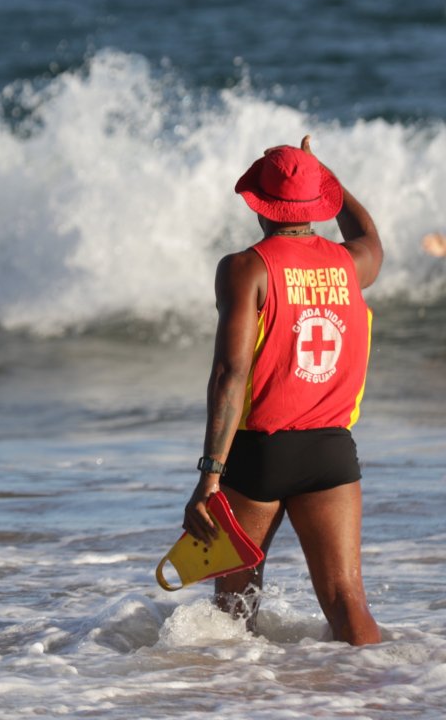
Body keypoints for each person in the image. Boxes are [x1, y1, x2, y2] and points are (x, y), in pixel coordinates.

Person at [182, 135, 383, 646]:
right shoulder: (352, 264)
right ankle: (387, 684)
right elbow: (368, 235)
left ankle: (242, 691)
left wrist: (209, 476)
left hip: (259, 456)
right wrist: (323, 175)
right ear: (317, 203)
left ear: (260, 205)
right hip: (331, 452)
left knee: (233, 614)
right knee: (347, 604)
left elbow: (230, 372)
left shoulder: (245, 268)